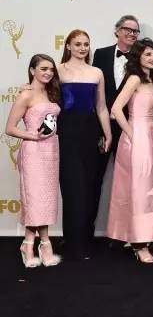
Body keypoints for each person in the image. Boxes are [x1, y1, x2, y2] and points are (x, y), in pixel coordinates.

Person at [106, 38, 153, 263]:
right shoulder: (134, 78)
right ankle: (139, 243)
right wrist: (131, 134)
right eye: (147, 54)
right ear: (138, 58)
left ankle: (152, 235)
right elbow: (116, 108)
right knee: (140, 188)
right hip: (137, 136)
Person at [57, 30, 113, 260]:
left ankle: (85, 240)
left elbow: (101, 107)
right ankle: (72, 241)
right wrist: (26, 88)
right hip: (66, 133)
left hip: (91, 133)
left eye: (86, 44)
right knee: (72, 188)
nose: (82, 48)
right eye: (78, 44)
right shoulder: (58, 70)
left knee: (90, 187)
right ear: (68, 46)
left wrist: (108, 134)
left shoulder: (96, 72)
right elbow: (44, 95)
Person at [5, 54, 62, 267]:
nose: (48, 73)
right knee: (35, 199)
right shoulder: (25, 95)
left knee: (46, 200)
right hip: (33, 152)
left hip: (51, 151)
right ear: (32, 70)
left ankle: (29, 243)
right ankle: (42, 244)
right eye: (43, 69)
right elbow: (10, 128)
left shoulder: (52, 92)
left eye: (51, 69)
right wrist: (33, 135)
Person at [92, 14, 140, 231]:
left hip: (129, 127)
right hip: (102, 128)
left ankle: (128, 234)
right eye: (127, 29)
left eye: (135, 31)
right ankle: (86, 233)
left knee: (130, 182)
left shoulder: (141, 57)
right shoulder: (100, 54)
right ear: (117, 31)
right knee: (95, 178)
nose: (131, 33)